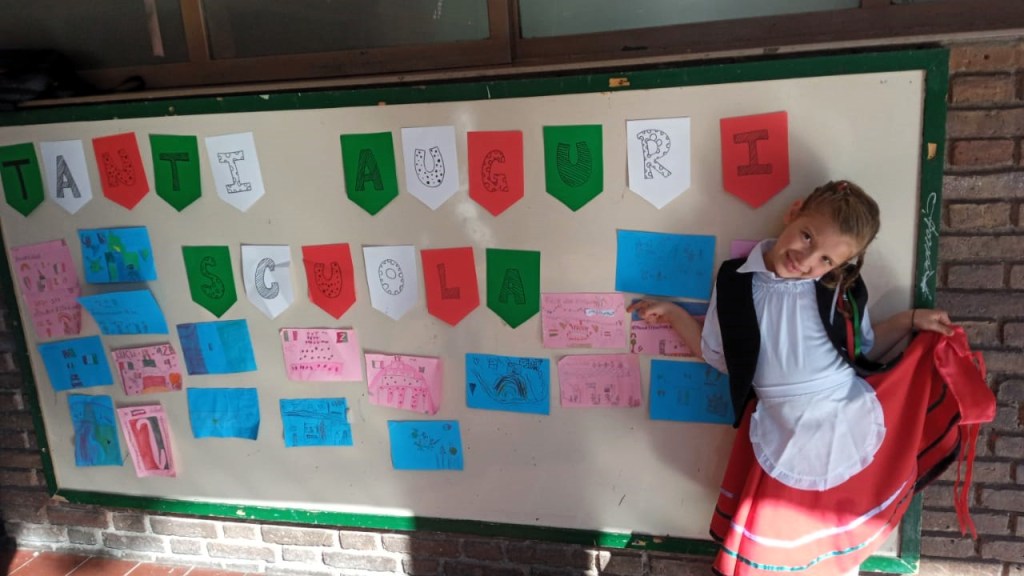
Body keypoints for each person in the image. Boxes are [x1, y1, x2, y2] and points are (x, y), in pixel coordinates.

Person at [629, 180, 984, 576]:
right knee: (781, 539)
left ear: (840, 266)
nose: (807, 258)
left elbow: (862, 350)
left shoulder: (838, 289)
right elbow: (717, 355)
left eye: (826, 259)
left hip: (845, 418)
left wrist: (909, 320)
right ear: (794, 212)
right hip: (784, 431)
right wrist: (674, 314)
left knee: (837, 543)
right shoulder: (735, 281)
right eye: (807, 236)